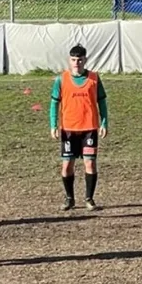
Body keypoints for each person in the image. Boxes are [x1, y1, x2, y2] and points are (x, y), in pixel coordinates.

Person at [50, 44, 107, 210]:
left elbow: (102, 102)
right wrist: (53, 125)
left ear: (85, 60)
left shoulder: (94, 79)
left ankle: (89, 199)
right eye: (74, 60)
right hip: (68, 129)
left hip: (89, 129)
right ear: (70, 60)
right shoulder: (61, 79)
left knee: (90, 163)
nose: (77, 63)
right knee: (67, 165)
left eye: (80, 60)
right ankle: (69, 198)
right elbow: (54, 103)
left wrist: (104, 123)